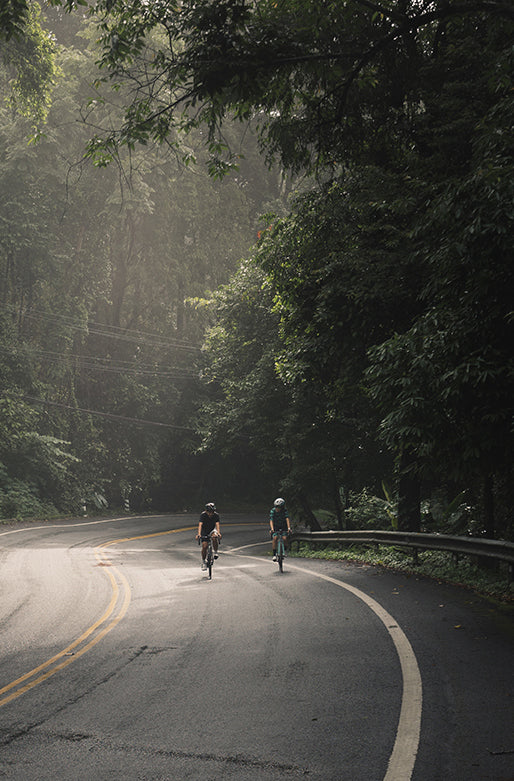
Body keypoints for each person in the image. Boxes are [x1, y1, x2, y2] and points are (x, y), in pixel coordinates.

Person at [196, 502, 221, 570]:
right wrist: (199, 534)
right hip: (204, 531)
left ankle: (215, 552)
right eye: (209, 512)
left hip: (212, 530)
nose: (211, 514)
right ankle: (204, 561)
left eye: (212, 512)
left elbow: (217, 524)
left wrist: (218, 533)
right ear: (206, 511)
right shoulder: (203, 515)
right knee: (204, 546)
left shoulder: (216, 515)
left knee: (214, 537)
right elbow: (200, 525)